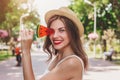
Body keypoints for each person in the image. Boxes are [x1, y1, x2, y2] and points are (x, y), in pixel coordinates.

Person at [21, 7, 88, 80]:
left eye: (62, 30)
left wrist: (25, 51)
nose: (55, 36)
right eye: (52, 31)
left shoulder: (71, 63)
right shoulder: (58, 57)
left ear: (72, 33)